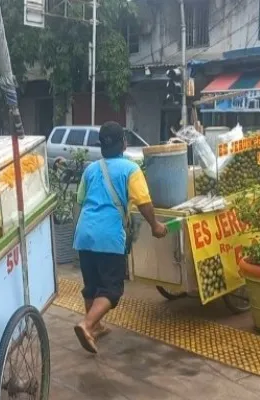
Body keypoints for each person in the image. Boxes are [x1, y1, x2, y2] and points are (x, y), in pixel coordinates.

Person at [72, 121, 167, 354]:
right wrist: (155, 225)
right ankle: (86, 324)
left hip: (84, 234)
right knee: (112, 290)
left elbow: (80, 200)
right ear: (124, 143)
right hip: (108, 236)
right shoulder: (130, 169)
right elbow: (143, 201)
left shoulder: (91, 169)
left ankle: (95, 327)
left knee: (92, 285)